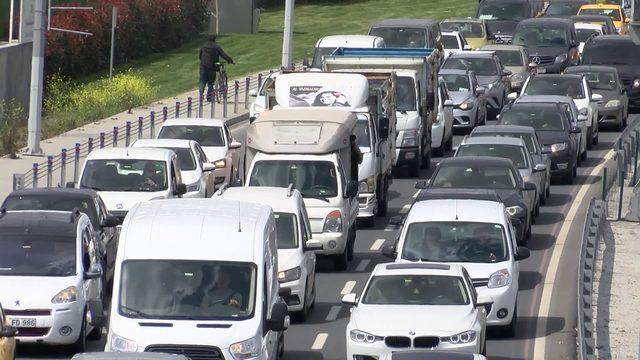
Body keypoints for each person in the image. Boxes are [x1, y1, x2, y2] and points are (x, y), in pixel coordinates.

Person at [199, 35, 235, 102]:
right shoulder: (216, 47)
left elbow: (200, 56)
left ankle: (201, 95)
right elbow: (223, 55)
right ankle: (209, 98)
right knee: (210, 82)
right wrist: (230, 60)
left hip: (203, 67)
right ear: (214, 40)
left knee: (202, 81)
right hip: (212, 67)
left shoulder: (203, 46)